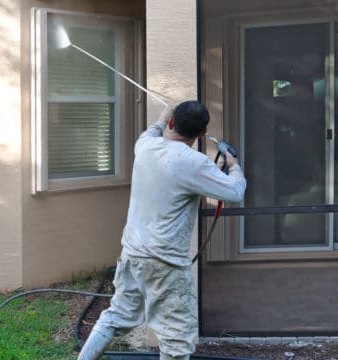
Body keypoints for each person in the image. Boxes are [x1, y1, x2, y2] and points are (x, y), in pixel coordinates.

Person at [77, 101, 247, 360]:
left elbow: (151, 132)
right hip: (165, 264)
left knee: (116, 316)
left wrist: (161, 118)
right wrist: (233, 165)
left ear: (171, 123)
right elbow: (235, 191)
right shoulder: (196, 163)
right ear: (202, 134)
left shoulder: (145, 147)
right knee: (176, 338)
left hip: (133, 256)